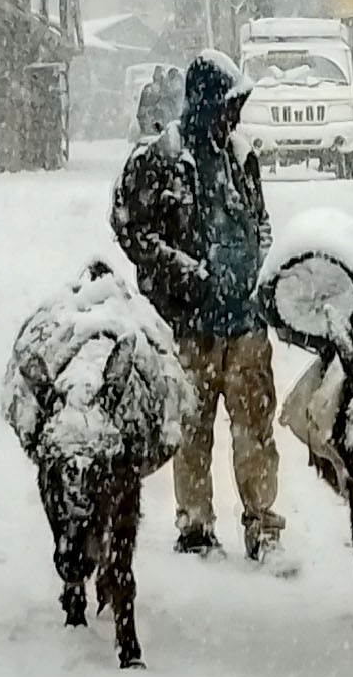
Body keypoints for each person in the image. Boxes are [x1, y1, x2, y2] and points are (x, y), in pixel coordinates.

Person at [111, 51, 285, 562]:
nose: (235, 114)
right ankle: (195, 528)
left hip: (246, 322)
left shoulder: (239, 153)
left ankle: (262, 524)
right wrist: (181, 274)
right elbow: (130, 226)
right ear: (208, 102)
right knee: (192, 431)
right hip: (190, 327)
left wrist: (259, 254)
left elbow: (258, 216)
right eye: (230, 103)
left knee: (255, 428)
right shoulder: (165, 157)